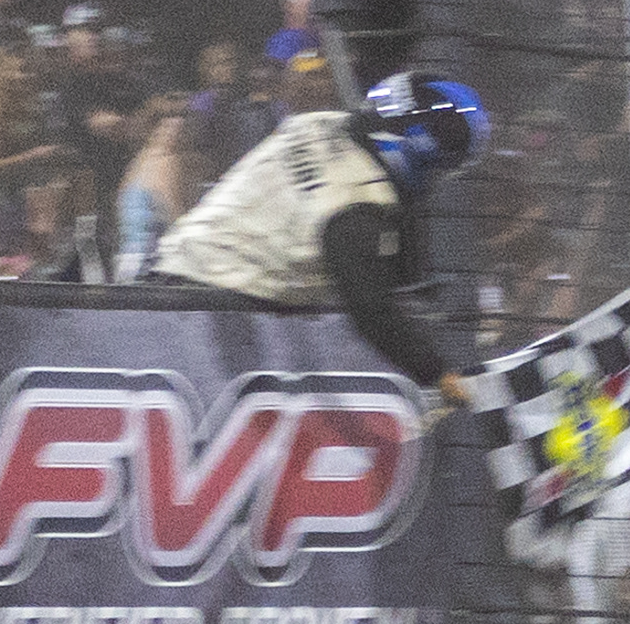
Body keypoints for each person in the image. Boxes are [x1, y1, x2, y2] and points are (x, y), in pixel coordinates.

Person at [150, 68, 489, 405]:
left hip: (171, 276)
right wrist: (438, 375)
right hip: (215, 311)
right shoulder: (357, 197)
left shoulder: (320, 122)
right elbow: (370, 305)